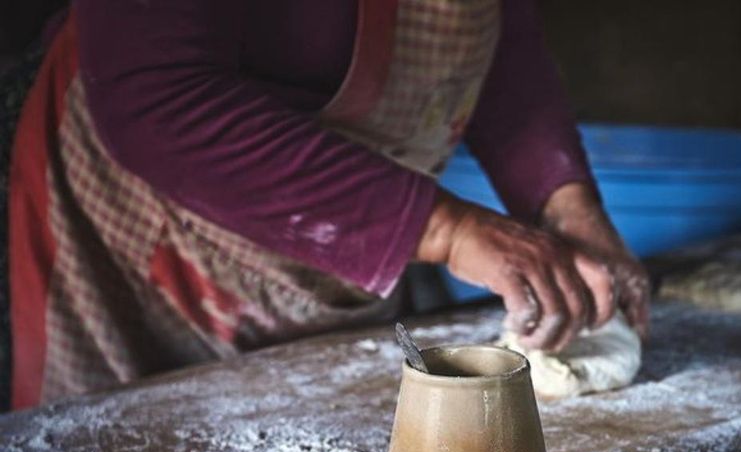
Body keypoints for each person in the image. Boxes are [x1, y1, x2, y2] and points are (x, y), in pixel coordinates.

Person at [6, 0, 649, 410]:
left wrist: (566, 206)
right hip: (150, 238)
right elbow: (156, 96)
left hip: (351, 233)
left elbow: (499, 37)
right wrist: (448, 230)